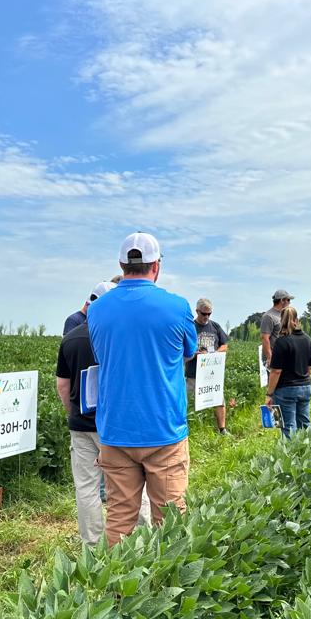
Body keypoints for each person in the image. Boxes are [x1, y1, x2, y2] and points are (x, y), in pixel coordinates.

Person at [88, 231, 197, 546]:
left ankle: (118, 591)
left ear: (122, 264)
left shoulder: (97, 309)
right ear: (157, 266)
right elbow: (188, 352)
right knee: (170, 521)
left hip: (115, 430)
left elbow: (101, 355)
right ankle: (168, 588)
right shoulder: (177, 307)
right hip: (163, 430)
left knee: (120, 519)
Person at [55, 281, 149, 544]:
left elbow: (63, 385)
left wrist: (72, 414)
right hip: (114, 426)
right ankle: (138, 538)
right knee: (128, 484)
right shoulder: (116, 336)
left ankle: (92, 545)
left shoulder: (70, 339)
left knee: (86, 488)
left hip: (81, 425)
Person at [265, 307, 311, 437]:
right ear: (297, 320)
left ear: (281, 321)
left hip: (285, 390)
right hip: (305, 387)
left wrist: (269, 394)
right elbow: (310, 369)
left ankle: (290, 455)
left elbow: (275, 371)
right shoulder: (308, 340)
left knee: (287, 426)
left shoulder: (281, 342)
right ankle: (309, 452)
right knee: (304, 423)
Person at [184, 297, 230, 435]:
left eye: (209, 313)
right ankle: (186, 429)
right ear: (197, 311)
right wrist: (195, 354)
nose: (207, 317)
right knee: (186, 401)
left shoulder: (215, 327)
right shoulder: (190, 327)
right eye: (204, 314)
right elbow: (183, 350)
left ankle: (222, 429)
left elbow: (225, 345)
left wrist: (215, 353)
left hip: (211, 374)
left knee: (219, 400)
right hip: (193, 374)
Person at [260, 289, 294, 365]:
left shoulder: (285, 314)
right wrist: (269, 357)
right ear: (282, 300)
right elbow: (265, 338)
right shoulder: (269, 316)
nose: (289, 302)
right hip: (274, 356)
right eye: (288, 300)